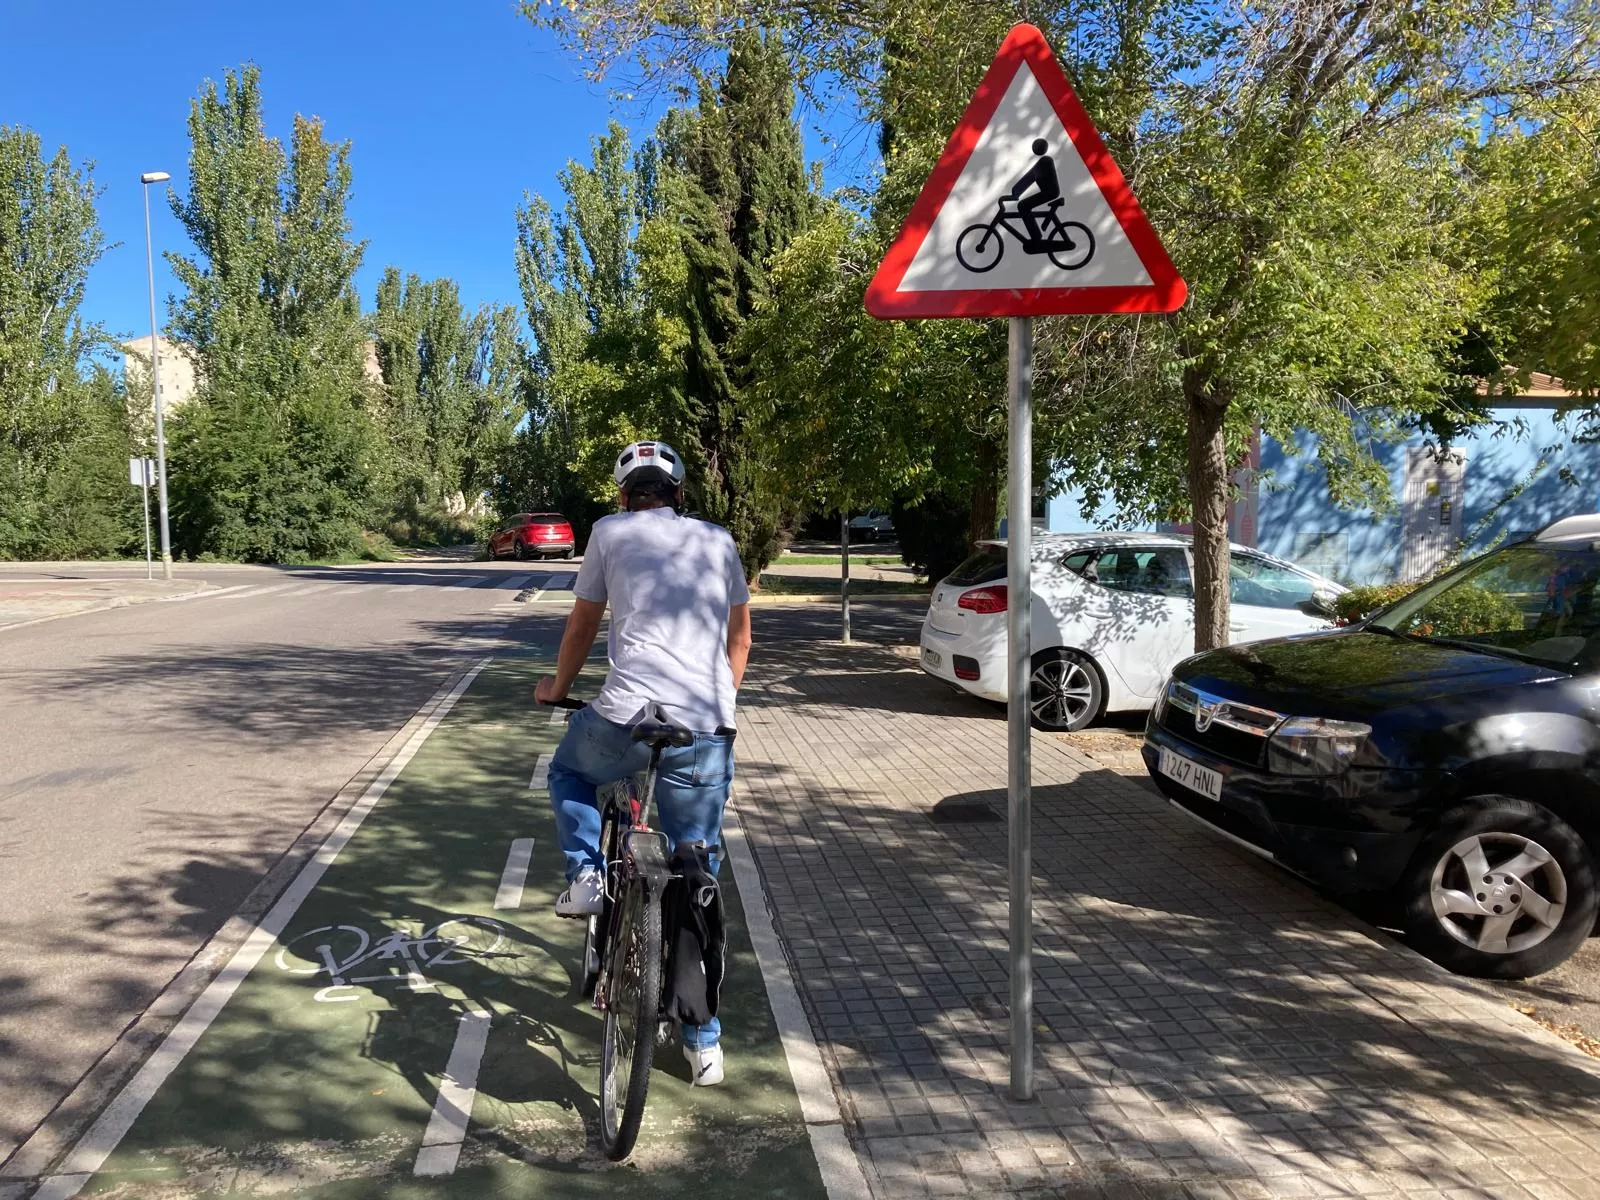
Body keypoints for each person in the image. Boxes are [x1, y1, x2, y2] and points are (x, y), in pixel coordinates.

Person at [534, 439, 753, 1087]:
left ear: (625, 496)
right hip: (705, 725)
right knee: (697, 869)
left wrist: (555, 687)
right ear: (679, 493)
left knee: (570, 772)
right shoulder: (718, 540)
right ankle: (703, 1043)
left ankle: (587, 878)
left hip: (628, 715)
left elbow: (581, 627)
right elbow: (739, 639)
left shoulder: (609, 532)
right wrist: (718, 706)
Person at [1006, 137, 1061, 242]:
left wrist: (1015, 193)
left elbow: (1029, 177)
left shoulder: (1044, 161)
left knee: (1022, 206)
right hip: (1049, 192)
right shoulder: (1043, 162)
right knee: (1023, 206)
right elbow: (1030, 177)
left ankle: (1036, 238)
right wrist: (1015, 193)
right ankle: (1037, 237)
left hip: (1050, 192)